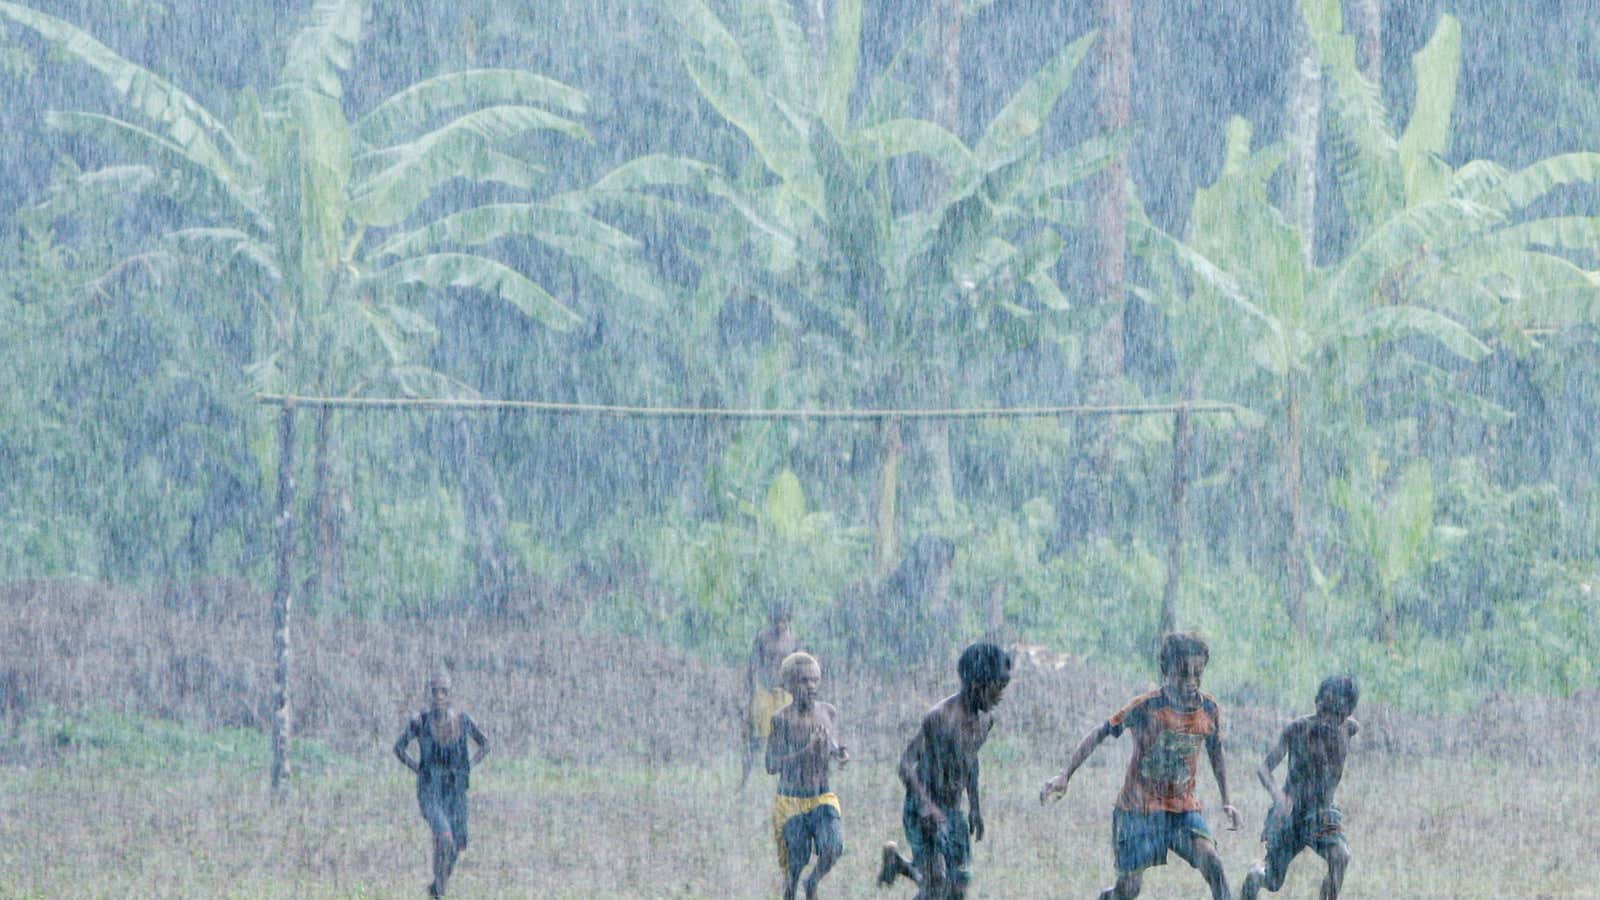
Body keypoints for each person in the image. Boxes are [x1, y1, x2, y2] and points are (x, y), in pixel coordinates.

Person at [1039, 632, 1239, 900]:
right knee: (1128, 890)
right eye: (1183, 673)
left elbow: (1216, 752)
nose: (1191, 681)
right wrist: (1065, 775)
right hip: (1138, 809)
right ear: (1166, 670)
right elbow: (1101, 732)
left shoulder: (1209, 709)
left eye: (1197, 673)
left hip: (1182, 809)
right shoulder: (1147, 706)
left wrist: (1227, 800)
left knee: (1212, 862)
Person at [878, 642, 1011, 899]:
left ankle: (899, 864)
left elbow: (970, 761)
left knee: (957, 887)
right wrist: (926, 804)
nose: (1001, 696)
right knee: (936, 883)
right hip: (922, 808)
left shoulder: (985, 720)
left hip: (953, 809)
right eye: (998, 688)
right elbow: (905, 764)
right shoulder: (940, 717)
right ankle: (908, 867)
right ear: (978, 683)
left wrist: (975, 806)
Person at [1240, 676, 1360, 900]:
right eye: (1324, 710)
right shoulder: (1298, 729)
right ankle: (1255, 875)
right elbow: (1264, 768)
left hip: (1322, 813)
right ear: (1316, 702)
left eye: (1336, 714)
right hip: (1290, 813)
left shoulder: (1349, 729)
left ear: (1347, 713)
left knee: (1340, 857)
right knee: (1273, 880)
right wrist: (1278, 796)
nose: (1327, 720)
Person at [394, 671, 489, 898]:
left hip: (455, 790)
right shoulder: (421, 722)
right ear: (429, 694)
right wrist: (419, 768)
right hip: (430, 790)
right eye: (435, 691)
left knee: (456, 844)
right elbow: (399, 748)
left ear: (450, 694)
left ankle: (438, 886)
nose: (439, 696)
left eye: (443, 691)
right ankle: (439, 889)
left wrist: (468, 765)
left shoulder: (463, 721)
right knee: (444, 836)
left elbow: (485, 744)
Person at [766, 652, 850, 900]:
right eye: (804, 681)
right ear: (789, 685)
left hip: (822, 796)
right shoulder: (781, 719)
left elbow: (831, 743)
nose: (811, 686)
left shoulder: (827, 711)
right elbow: (771, 765)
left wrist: (840, 753)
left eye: (815, 680)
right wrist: (805, 752)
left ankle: (811, 883)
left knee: (833, 846)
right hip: (792, 802)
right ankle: (792, 890)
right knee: (796, 862)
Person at [743, 605, 799, 789]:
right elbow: (753, 664)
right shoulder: (762, 638)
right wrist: (750, 690)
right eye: (778, 621)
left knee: (789, 737)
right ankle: (745, 778)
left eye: (784, 621)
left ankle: (788, 779)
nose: (781, 625)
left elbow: (797, 665)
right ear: (772, 621)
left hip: (784, 693)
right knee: (757, 737)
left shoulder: (793, 640)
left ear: (788, 621)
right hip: (764, 691)